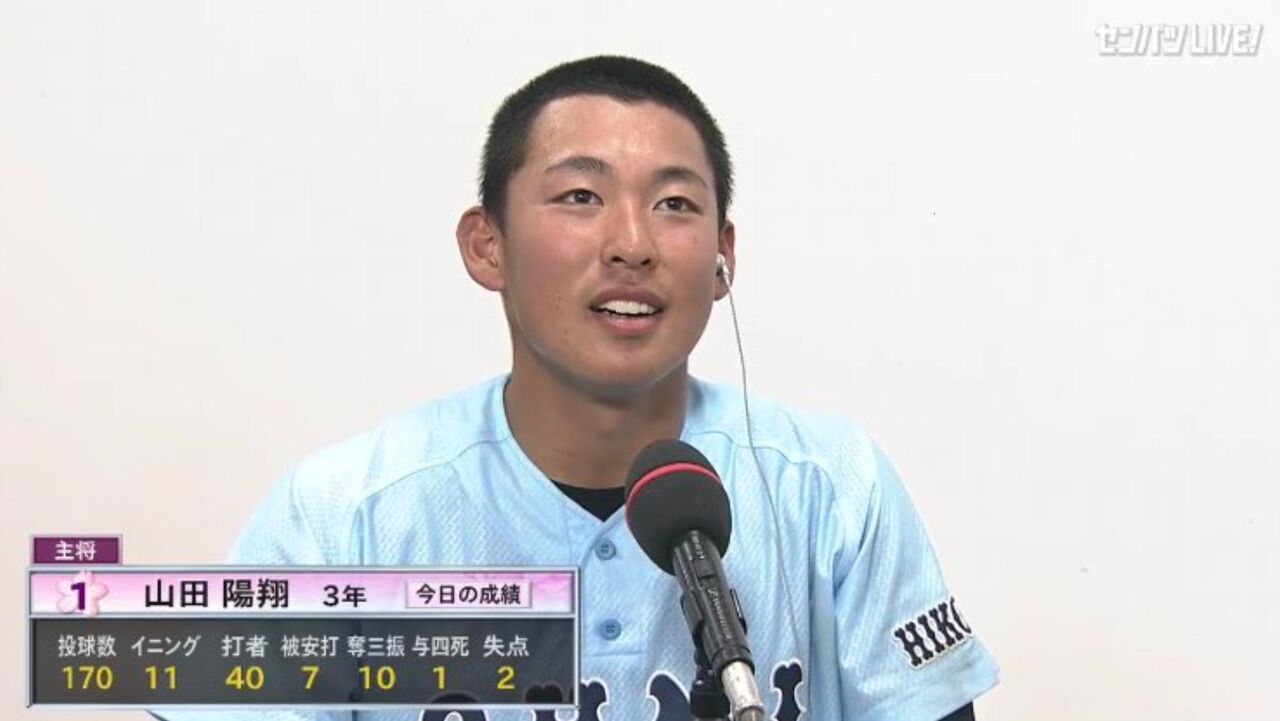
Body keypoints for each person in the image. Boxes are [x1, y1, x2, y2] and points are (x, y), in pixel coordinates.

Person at [153, 54, 998, 721]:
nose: (631, 243)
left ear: (723, 257)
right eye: (581, 196)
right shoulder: (345, 516)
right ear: (487, 245)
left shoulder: (833, 491)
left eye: (675, 204)